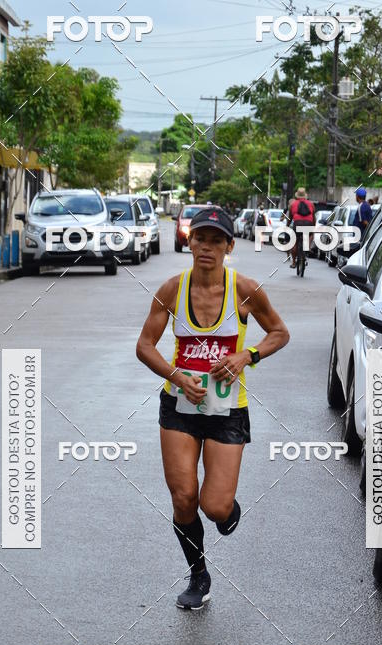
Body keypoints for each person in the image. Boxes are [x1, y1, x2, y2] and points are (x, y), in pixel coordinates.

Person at [135, 206, 290, 609]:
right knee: (184, 497)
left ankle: (226, 508)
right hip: (180, 407)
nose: (207, 247)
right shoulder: (172, 289)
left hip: (227, 412)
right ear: (190, 242)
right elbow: (144, 346)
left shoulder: (246, 291)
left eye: (216, 240)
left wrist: (247, 356)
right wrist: (176, 376)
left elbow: (279, 333)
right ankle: (198, 574)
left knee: (213, 506)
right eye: (200, 238)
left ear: (229, 246)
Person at [286, 187, 315, 268]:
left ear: (297, 196)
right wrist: (314, 227)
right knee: (311, 234)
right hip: (308, 224)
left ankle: (294, 262)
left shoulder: (293, 204)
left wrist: (287, 226)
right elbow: (313, 218)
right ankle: (308, 247)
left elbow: (290, 218)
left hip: (297, 224)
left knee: (294, 241)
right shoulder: (311, 204)